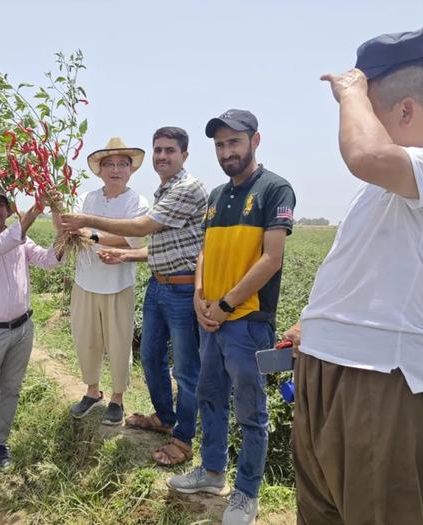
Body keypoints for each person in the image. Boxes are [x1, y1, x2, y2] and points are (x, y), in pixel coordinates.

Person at [284, 22, 423, 525]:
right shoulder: (393, 183)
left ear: (404, 110)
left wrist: (350, 90)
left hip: (384, 378)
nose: (357, 125)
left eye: (366, 114)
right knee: (322, 511)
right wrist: (313, 324)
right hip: (328, 366)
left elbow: (365, 154)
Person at [165, 110, 296, 525]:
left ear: (255, 141)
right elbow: (204, 251)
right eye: (220, 145)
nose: (226, 152)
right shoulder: (217, 196)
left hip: (247, 320)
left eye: (233, 143)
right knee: (210, 396)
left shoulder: (275, 190)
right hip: (212, 319)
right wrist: (202, 298)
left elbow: (270, 259)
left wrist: (225, 305)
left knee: (250, 408)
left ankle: (246, 493)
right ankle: (211, 472)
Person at [62, 127, 207, 466]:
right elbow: (151, 246)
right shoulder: (160, 191)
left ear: (184, 156)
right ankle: (162, 417)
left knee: (183, 367)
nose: (162, 156)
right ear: (99, 168)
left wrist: (90, 229)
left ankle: (182, 437)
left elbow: (138, 231)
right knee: (152, 356)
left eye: (170, 150)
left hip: (181, 287)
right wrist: (120, 250)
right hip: (156, 284)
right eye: (158, 150)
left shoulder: (176, 191)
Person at [0, 183, 64, 482]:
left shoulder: (21, 239)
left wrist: (65, 236)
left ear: (8, 209)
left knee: (11, 390)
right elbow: (1, 244)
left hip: (22, 329)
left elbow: (48, 261)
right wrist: (36, 208)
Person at [67, 137, 149, 426]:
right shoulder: (87, 199)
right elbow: (70, 227)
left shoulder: (137, 202)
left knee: (118, 342)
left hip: (118, 285)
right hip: (85, 280)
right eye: (109, 164)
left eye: (122, 164)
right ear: (99, 170)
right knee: (86, 338)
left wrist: (93, 234)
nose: (116, 169)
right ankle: (92, 391)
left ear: (131, 170)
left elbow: (132, 238)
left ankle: (117, 398)